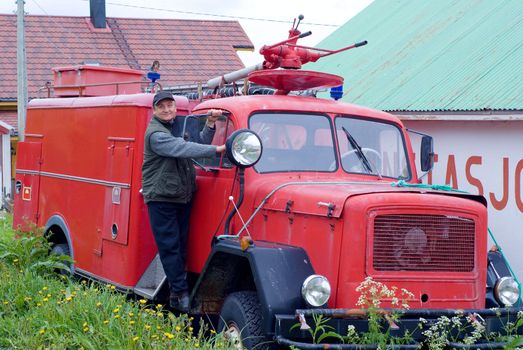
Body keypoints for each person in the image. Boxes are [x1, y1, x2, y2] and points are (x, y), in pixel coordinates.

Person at [142, 90, 226, 312]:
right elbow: (182, 148)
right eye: (162, 107)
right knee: (170, 248)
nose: (167, 109)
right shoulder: (155, 134)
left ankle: (175, 296)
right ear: (155, 110)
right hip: (161, 198)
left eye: (170, 105)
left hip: (181, 196)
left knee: (180, 247)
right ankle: (181, 296)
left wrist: (209, 124)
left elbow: (196, 143)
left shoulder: (177, 124)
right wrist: (216, 149)